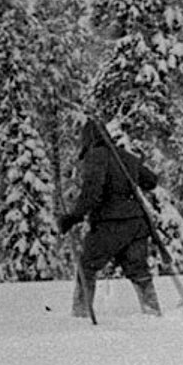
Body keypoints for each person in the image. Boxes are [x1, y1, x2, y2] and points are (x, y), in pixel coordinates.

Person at [58, 119, 161, 317]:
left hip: (110, 224)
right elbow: (151, 181)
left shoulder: (96, 157)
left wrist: (73, 217)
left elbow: (92, 192)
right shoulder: (126, 157)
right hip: (137, 224)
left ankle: (81, 313)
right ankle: (152, 311)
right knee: (139, 271)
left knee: (87, 266)